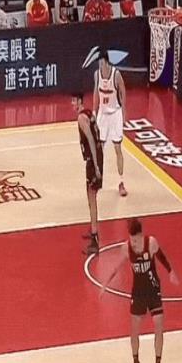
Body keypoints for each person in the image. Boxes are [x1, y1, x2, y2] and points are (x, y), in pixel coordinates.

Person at [102, 218, 179, 363]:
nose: (134, 243)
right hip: (138, 293)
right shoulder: (126, 248)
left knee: (158, 325)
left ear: (141, 235)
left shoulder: (151, 243)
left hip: (153, 289)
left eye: (136, 240)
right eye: (132, 240)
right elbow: (116, 267)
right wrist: (105, 284)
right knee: (134, 330)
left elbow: (161, 256)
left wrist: (170, 271)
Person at [93, 51, 127, 197]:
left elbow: (123, 92)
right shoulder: (97, 75)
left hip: (115, 113)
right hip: (103, 114)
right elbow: (96, 93)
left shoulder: (116, 75)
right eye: (98, 62)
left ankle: (121, 181)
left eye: (101, 62)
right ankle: (97, 179)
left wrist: (124, 113)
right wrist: (94, 113)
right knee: (99, 149)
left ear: (106, 62)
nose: (100, 64)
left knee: (117, 148)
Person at [73, 94, 103, 255]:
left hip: (93, 159)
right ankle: (93, 228)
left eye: (74, 101)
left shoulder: (81, 118)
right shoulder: (90, 113)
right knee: (90, 195)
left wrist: (96, 166)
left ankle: (95, 238)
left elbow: (91, 139)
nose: (72, 104)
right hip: (95, 156)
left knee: (92, 197)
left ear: (80, 101)